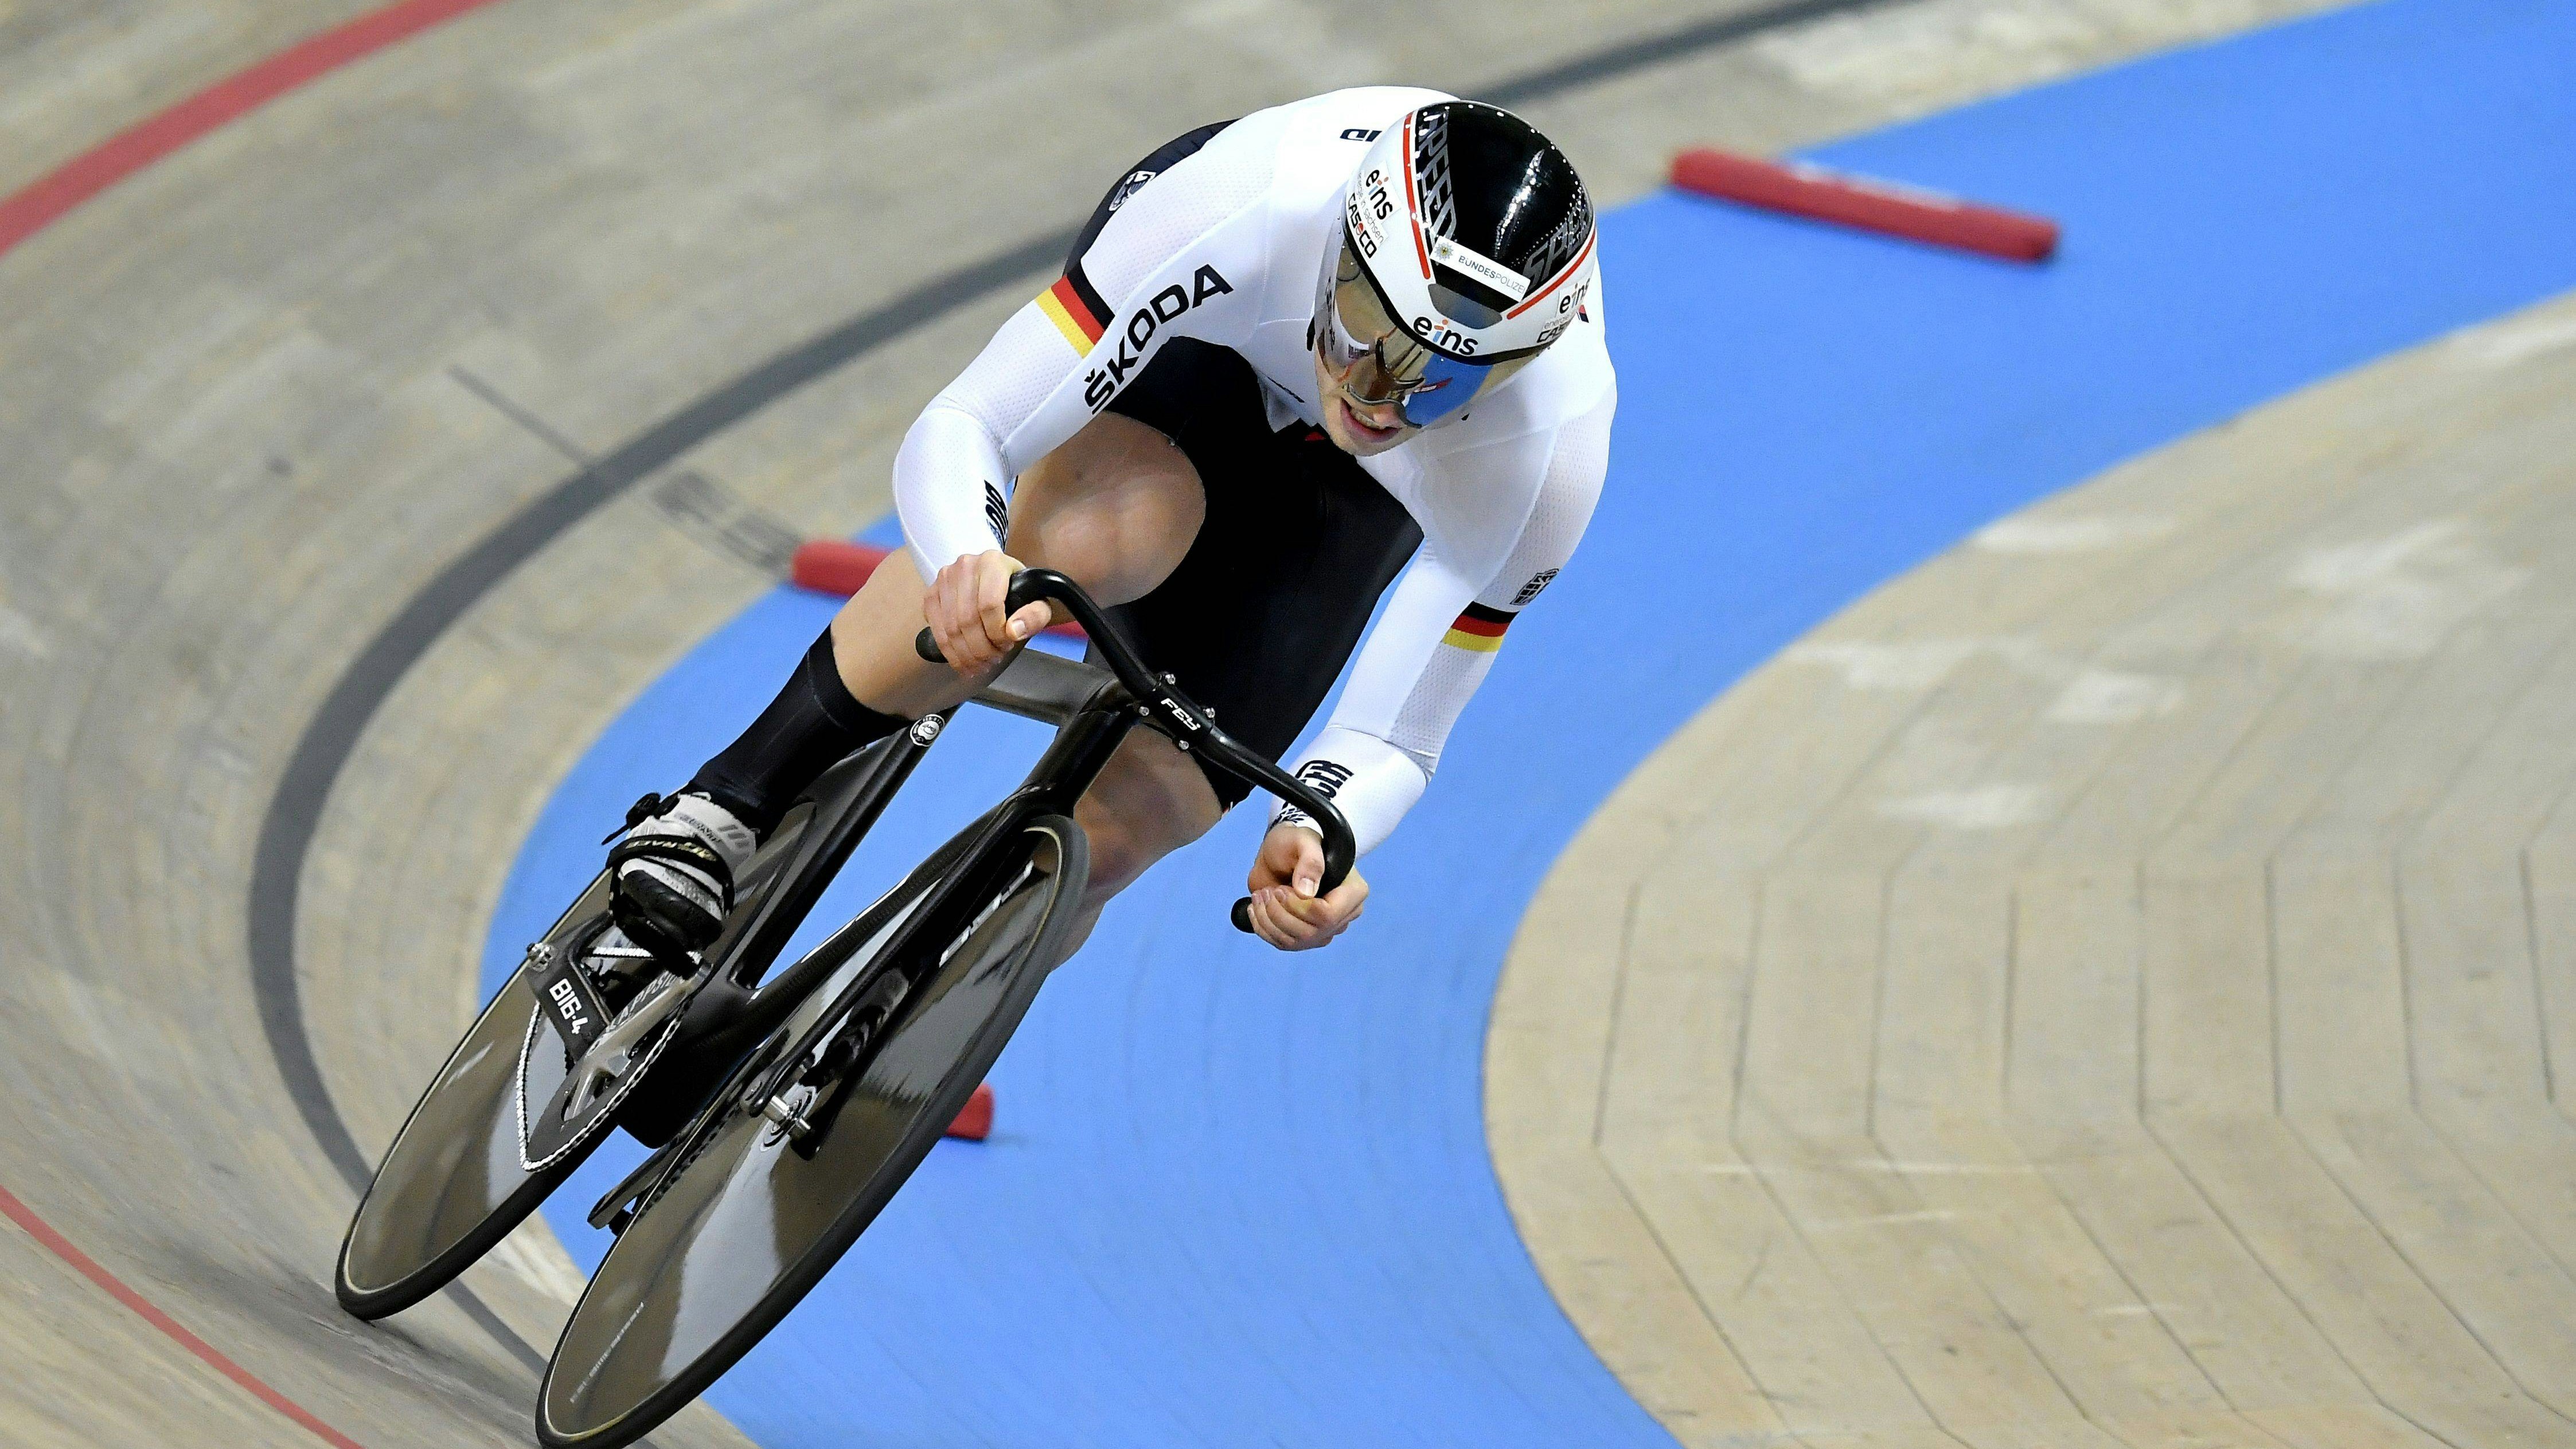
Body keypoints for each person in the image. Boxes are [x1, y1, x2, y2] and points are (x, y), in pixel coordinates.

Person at [606, 87, 1613, 961]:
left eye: (1440, 380)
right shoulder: (1238, 204)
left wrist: (1328, 828)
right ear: (1342, 249)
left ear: (1515, 369)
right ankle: (725, 806)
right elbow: (970, 424)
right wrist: (968, 559)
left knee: (1129, 830)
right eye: (1368, 332)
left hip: (1361, 497)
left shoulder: (1549, 452)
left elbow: (1398, 736)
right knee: (1078, 546)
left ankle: (905, 1023)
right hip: (1216, 349)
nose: (1378, 395)